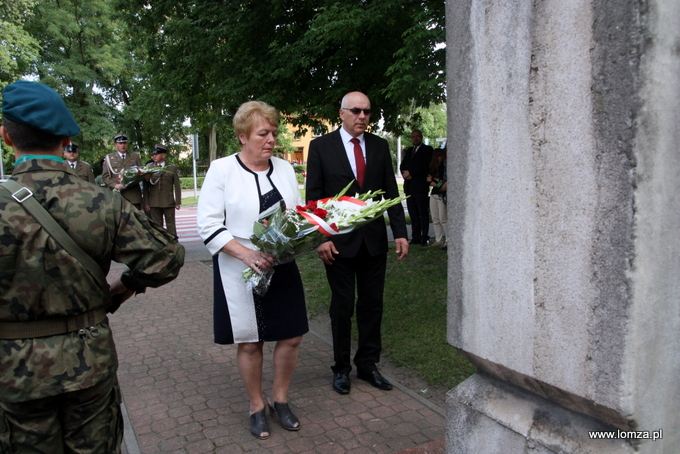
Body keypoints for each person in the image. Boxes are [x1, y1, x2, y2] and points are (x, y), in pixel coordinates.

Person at [0, 80, 185, 454]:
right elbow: (167, 258)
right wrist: (127, 285)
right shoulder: (102, 201)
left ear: (6, 136)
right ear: (65, 136)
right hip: (87, 359)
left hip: (12, 370)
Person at [197, 101, 307, 440]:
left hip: (282, 265)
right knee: (250, 341)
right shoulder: (221, 169)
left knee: (290, 335)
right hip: (239, 267)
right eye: (263, 133)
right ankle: (257, 406)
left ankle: (280, 399)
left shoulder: (286, 169)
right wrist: (246, 254)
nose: (271, 139)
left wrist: (304, 234)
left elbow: (296, 214)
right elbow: (208, 224)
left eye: (274, 132)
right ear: (243, 136)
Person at [306, 91, 409, 395]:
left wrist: (400, 233)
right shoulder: (321, 147)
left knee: (372, 305)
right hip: (337, 244)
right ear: (341, 113)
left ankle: (367, 364)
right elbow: (313, 197)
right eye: (356, 111)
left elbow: (390, 192)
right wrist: (320, 239)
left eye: (366, 111)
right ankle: (341, 369)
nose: (362, 116)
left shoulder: (379, 147)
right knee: (341, 307)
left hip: (374, 243)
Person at [399, 129, 433, 246]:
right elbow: (403, 165)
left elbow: (423, 165)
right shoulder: (409, 151)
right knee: (413, 213)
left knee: (423, 213)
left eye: (417, 136)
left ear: (421, 137)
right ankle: (415, 237)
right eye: (413, 137)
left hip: (420, 186)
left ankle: (424, 237)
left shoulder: (427, 150)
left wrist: (411, 172)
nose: (415, 139)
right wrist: (404, 173)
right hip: (409, 186)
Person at [143, 144, 182, 237]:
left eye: (157, 154)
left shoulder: (172, 167)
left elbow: (177, 185)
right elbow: (146, 187)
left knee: (171, 225)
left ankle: (174, 244)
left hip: (168, 201)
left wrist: (178, 202)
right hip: (154, 201)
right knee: (157, 226)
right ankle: (161, 244)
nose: (154, 156)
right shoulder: (149, 168)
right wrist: (146, 202)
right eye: (153, 154)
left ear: (163, 155)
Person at [101, 132, 144, 209]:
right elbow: (105, 177)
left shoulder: (135, 156)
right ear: (115, 145)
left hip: (133, 195)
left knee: (135, 219)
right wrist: (115, 185)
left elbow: (141, 173)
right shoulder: (109, 158)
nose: (123, 145)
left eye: (124, 143)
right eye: (120, 143)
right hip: (117, 195)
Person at [427, 147, 448, 247]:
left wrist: (435, 181)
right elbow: (431, 182)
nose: (440, 158)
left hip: (440, 194)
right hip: (434, 194)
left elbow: (441, 184)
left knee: (443, 218)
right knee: (435, 218)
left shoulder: (444, 169)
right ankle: (438, 239)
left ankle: (448, 239)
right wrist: (436, 181)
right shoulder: (433, 168)